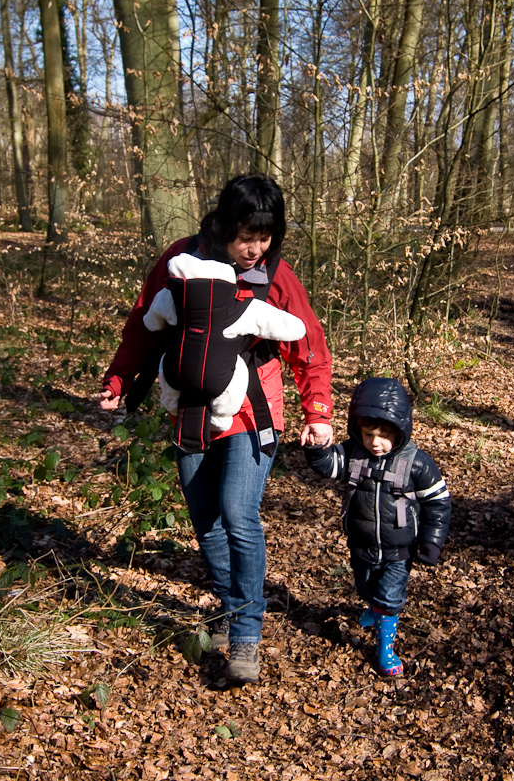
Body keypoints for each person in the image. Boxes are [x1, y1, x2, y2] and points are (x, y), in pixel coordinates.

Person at [99, 174, 334, 684]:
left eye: (265, 237)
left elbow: (308, 343)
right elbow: (145, 323)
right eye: (247, 235)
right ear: (225, 224)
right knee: (205, 520)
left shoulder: (275, 275)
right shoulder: (180, 261)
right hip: (191, 410)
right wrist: (120, 378)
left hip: (255, 412)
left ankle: (247, 634)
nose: (255, 248)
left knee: (238, 514)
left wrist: (317, 411)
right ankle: (232, 608)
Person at [304, 377, 450, 676]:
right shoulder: (354, 454)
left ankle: (385, 647)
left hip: (400, 546)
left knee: (389, 595)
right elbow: (330, 467)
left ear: (400, 431)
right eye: (369, 434)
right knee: (366, 587)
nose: (375, 443)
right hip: (361, 542)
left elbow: (438, 503)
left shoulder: (417, 464)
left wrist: (431, 541)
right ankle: (374, 608)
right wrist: (317, 450)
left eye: (384, 436)